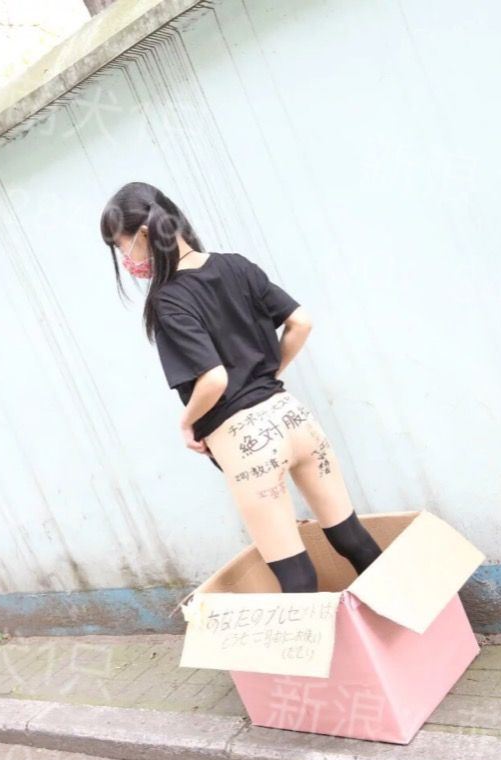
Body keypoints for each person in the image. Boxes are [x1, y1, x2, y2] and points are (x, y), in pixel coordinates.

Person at [99, 181, 383, 593]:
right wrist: (266, 375)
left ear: (143, 235)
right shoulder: (236, 265)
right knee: (352, 538)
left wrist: (186, 422)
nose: (125, 259)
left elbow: (214, 379)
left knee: (296, 574)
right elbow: (301, 322)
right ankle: (408, 624)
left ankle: (319, 642)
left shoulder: (168, 300)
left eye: (121, 246)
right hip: (293, 417)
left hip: (247, 442)